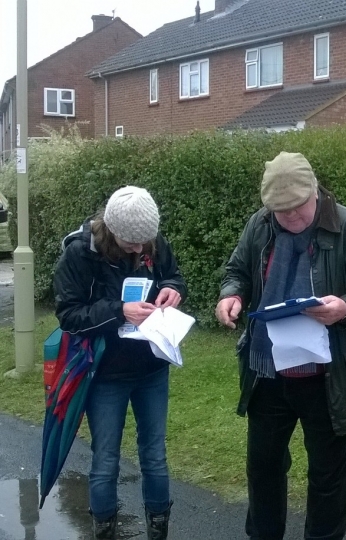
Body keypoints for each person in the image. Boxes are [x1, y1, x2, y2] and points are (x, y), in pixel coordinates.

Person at [215, 151, 346, 540]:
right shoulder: (259, 225)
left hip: (331, 376)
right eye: (282, 212)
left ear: (315, 192)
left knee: (329, 478)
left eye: (298, 209)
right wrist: (232, 296)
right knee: (263, 469)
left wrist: (345, 307)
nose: (291, 218)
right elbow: (237, 271)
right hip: (270, 375)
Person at [53, 186, 186, 540]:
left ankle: (159, 531)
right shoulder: (80, 253)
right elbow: (68, 315)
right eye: (131, 243)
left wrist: (173, 289)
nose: (140, 250)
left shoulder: (150, 239)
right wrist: (119, 311)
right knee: (106, 459)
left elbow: (171, 274)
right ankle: (104, 531)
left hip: (152, 368)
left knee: (155, 455)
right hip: (106, 374)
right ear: (111, 230)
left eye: (145, 242)